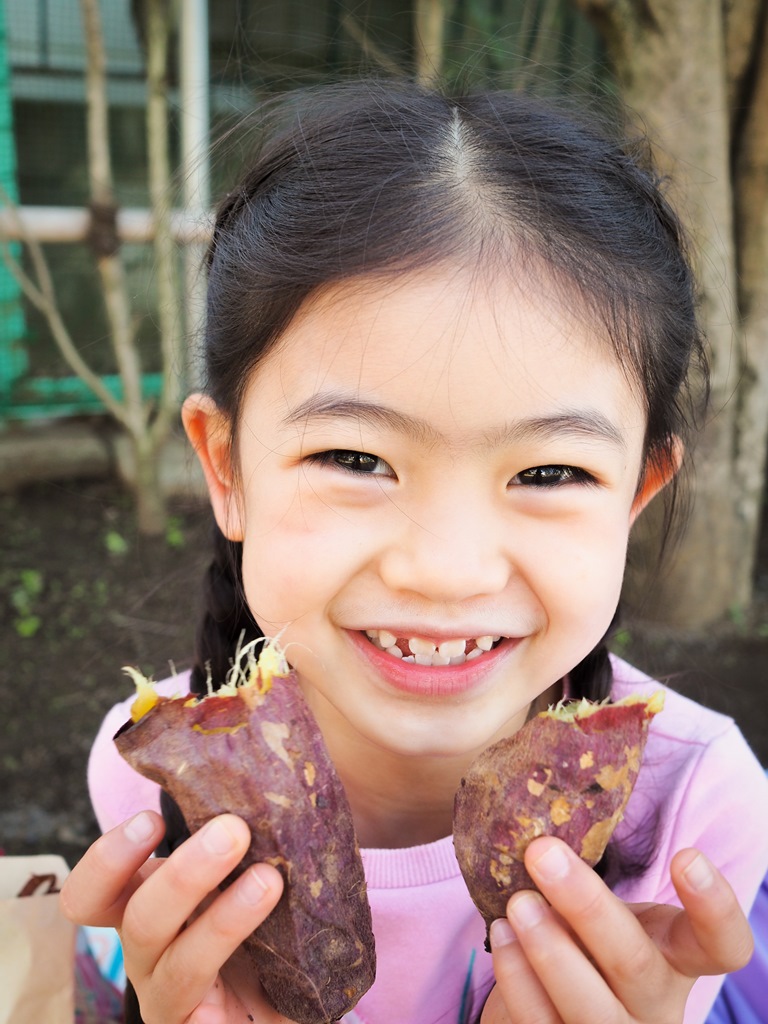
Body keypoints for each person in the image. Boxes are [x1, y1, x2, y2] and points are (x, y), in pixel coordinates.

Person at [60, 79, 768, 1024]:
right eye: (355, 458)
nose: (446, 570)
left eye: (550, 473)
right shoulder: (150, 780)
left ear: (637, 494)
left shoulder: (695, 818)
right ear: (226, 470)